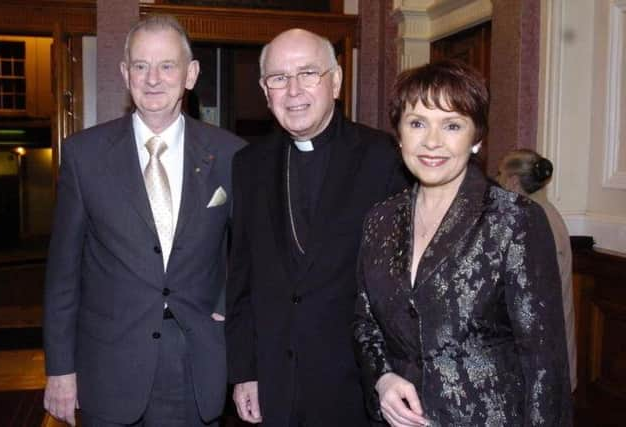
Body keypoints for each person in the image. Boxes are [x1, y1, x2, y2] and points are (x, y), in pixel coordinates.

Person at [42, 15, 245, 427]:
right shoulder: (84, 156)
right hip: (109, 365)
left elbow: (252, 250)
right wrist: (59, 369)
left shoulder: (230, 154)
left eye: (167, 66)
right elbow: (63, 272)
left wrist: (228, 305)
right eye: (140, 66)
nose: (153, 79)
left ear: (190, 75)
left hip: (196, 362)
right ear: (124, 73)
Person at [354, 60, 572, 426]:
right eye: (417, 123)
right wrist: (383, 378)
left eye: (452, 125)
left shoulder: (513, 219)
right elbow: (365, 322)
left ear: (477, 139)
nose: (432, 141)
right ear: (399, 134)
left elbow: (543, 363)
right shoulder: (380, 219)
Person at [225, 28, 409, 427]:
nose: (293, 91)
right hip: (275, 384)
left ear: (336, 81)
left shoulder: (385, 159)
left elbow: (402, 286)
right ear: (264, 89)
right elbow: (241, 278)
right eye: (278, 78)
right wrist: (244, 371)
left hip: (355, 386)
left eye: (308, 73)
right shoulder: (249, 165)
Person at [498, 149, 576, 391]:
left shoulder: (529, 220)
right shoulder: (548, 212)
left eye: (500, 174)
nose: (497, 179)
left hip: (539, 348)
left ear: (512, 180)